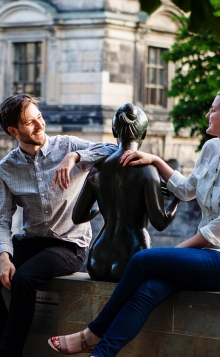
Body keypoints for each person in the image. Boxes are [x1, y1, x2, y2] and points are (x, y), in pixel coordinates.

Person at [50, 87, 220, 357]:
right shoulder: (210, 149)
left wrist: (174, 254)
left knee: (144, 260)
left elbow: (217, 232)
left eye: (214, 109)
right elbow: (186, 189)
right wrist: (154, 160)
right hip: (205, 254)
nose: (208, 114)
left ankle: (92, 333)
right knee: (149, 290)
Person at [0, 94, 116, 357]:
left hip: (69, 243)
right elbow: (0, 221)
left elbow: (115, 150)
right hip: (31, 240)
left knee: (24, 280)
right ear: (14, 131)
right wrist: (4, 257)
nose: (39, 124)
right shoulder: (6, 168)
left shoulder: (66, 145)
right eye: (29, 122)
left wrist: (76, 158)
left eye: (39, 116)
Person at [69, 103, 179, 283]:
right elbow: (160, 222)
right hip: (132, 253)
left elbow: (78, 216)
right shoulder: (147, 170)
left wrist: (98, 208)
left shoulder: (97, 169)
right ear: (143, 134)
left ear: (114, 131)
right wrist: (176, 199)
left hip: (97, 256)